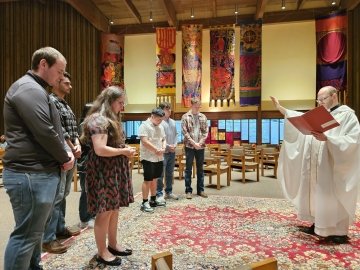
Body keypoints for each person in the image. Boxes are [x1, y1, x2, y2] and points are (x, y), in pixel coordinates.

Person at [2, 47, 74, 270]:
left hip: (36, 172)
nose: (62, 77)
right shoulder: (28, 89)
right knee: (25, 236)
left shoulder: (34, 89)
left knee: (34, 233)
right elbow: (45, 131)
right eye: (60, 71)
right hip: (30, 173)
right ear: (43, 64)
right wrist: (65, 156)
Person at [270, 85, 360, 244]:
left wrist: (329, 139)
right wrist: (280, 108)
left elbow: (353, 140)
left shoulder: (347, 116)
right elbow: (298, 118)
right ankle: (318, 223)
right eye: (318, 100)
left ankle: (338, 231)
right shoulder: (320, 114)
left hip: (333, 166)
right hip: (316, 165)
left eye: (323, 99)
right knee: (315, 193)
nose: (320, 103)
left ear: (334, 96)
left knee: (331, 195)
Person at [80, 86, 135, 266]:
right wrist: (124, 151)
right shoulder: (98, 120)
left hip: (112, 171)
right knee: (104, 212)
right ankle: (102, 251)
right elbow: (100, 149)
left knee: (114, 209)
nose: (122, 106)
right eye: (120, 103)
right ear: (110, 102)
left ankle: (112, 244)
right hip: (103, 172)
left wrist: (123, 151)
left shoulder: (111, 119)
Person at [42, 71, 81, 254]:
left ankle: (60, 228)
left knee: (63, 194)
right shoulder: (52, 101)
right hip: (61, 154)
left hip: (71, 152)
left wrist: (78, 143)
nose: (70, 86)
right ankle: (48, 238)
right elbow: (59, 130)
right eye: (66, 83)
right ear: (56, 83)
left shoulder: (65, 103)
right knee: (56, 196)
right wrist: (73, 146)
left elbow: (73, 128)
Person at [138, 108, 167, 213]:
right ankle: (144, 202)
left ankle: (153, 199)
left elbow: (164, 139)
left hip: (159, 157)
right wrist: (156, 150)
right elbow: (144, 141)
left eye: (161, 120)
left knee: (155, 179)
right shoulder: (144, 126)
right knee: (148, 180)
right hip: (148, 157)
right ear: (152, 116)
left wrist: (163, 148)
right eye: (158, 119)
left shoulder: (161, 126)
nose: (160, 122)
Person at [181, 97, 209, 199]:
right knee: (188, 169)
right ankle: (188, 191)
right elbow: (185, 132)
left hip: (200, 147)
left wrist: (200, 143)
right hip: (189, 146)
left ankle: (200, 190)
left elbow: (206, 131)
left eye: (199, 106)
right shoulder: (185, 117)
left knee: (200, 169)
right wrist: (194, 143)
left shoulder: (203, 116)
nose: (198, 108)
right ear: (191, 105)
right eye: (196, 106)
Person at [78, 103, 96, 229]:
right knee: (86, 191)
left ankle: (93, 214)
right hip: (85, 162)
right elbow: (87, 144)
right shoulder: (82, 126)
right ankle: (84, 218)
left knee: (94, 190)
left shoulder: (95, 126)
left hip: (95, 162)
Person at [156, 102, 179, 200]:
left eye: (170, 109)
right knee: (160, 174)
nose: (169, 110)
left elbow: (176, 135)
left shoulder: (173, 122)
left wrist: (175, 145)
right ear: (162, 110)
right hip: (163, 152)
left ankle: (169, 192)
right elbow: (160, 138)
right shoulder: (159, 122)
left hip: (172, 152)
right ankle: (159, 193)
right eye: (167, 109)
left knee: (170, 173)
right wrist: (169, 146)